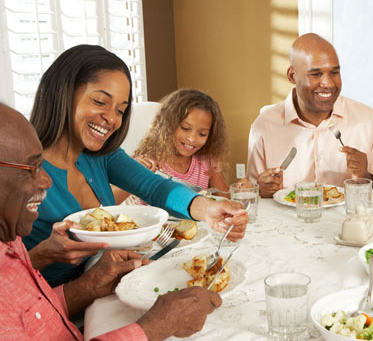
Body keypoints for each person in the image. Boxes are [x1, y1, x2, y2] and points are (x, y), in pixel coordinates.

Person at [0, 102, 224, 341]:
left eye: (121, 109)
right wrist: (157, 326)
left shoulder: (10, 243)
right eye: (31, 168)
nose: (46, 181)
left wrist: (90, 286)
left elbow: (33, 316)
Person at [26, 45, 248, 286]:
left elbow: (155, 187)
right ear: (63, 93)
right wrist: (41, 256)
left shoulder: (101, 155)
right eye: (100, 101)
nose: (112, 119)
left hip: (106, 288)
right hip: (47, 306)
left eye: (120, 110)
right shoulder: (19, 170)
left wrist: (206, 209)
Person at [247, 33, 373, 197]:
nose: (328, 83)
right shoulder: (264, 126)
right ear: (292, 76)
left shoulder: (367, 120)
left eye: (334, 72)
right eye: (316, 74)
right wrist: (260, 191)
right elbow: (250, 197)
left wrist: (366, 177)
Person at [113, 89, 230, 204]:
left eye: (202, 134)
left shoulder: (206, 162)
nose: (192, 138)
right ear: (168, 126)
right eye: (185, 128)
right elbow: (110, 201)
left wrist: (215, 173)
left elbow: (225, 199)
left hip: (196, 222)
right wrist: (135, 174)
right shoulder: (149, 161)